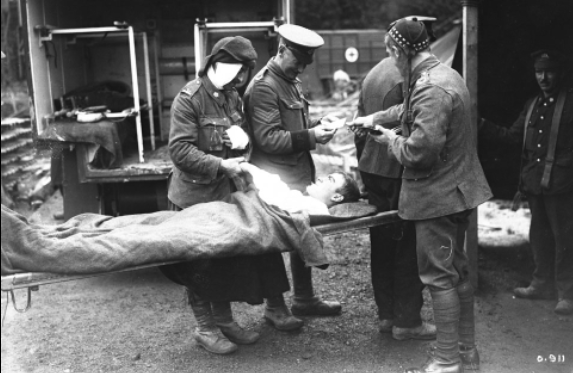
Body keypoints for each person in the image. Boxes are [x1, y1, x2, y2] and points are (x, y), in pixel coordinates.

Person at [352, 17, 492, 373]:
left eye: (392, 54)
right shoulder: (443, 75)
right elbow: (406, 110)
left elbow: (419, 153)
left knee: (437, 277)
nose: (392, 61)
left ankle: (447, 361)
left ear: (400, 51)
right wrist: (373, 119)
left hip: (436, 198)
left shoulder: (429, 87)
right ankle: (466, 352)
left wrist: (387, 139)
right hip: (456, 192)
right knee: (456, 271)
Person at [162, 36, 292, 355]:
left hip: (222, 195)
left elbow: (241, 137)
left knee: (221, 261)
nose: (240, 80)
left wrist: (241, 143)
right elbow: (179, 150)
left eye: (244, 73)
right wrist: (221, 165)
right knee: (199, 264)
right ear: (219, 65)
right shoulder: (189, 98)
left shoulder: (231, 97)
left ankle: (224, 321)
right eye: (237, 71)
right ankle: (205, 328)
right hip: (194, 197)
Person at [478, 49, 573, 316]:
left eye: (549, 71)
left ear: (560, 72)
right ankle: (542, 284)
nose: (543, 77)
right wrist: (480, 124)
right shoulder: (533, 104)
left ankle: (568, 293)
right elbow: (511, 136)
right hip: (535, 182)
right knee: (540, 236)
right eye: (538, 71)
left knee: (565, 239)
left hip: (563, 183)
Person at [243, 23, 344, 321]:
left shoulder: (290, 81)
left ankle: (304, 299)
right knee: (272, 242)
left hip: (297, 174)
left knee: (303, 233)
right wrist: (313, 137)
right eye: (297, 61)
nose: (301, 69)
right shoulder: (263, 86)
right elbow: (269, 139)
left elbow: (295, 126)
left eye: (305, 63)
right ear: (282, 50)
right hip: (275, 180)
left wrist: (319, 125)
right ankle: (275, 307)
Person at [354, 32, 435, 341]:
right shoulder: (411, 77)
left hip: (373, 169)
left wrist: (363, 169)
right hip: (399, 169)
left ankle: (387, 315)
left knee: (383, 245)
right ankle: (408, 320)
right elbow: (413, 128)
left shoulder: (373, 73)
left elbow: (359, 127)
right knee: (408, 246)